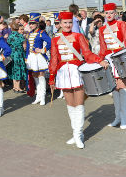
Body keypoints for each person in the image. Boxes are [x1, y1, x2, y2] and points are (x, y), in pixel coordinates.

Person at [49, 12, 102, 149]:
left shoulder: (78, 36)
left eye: (70, 23)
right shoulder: (55, 39)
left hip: (76, 72)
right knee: (70, 106)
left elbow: (87, 54)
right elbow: (54, 59)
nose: (67, 25)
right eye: (65, 22)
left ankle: (78, 135)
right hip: (62, 73)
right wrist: (51, 77)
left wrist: (99, 60)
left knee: (79, 105)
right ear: (60, 24)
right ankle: (75, 133)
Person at [98, 3, 126, 129]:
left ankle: (124, 119)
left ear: (115, 13)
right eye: (106, 13)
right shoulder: (101, 29)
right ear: (104, 14)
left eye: (111, 12)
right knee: (114, 90)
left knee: (123, 88)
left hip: (120, 59)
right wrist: (99, 60)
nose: (109, 15)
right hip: (109, 61)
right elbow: (103, 48)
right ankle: (117, 117)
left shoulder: (121, 24)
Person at [25, 13, 52, 105]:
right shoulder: (29, 34)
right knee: (35, 77)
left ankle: (43, 97)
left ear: (37, 24)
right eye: (30, 23)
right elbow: (28, 47)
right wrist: (26, 57)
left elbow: (50, 42)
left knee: (41, 76)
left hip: (39, 57)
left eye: (33, 23)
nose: (31, 25)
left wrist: (42, 50)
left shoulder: (41, 33)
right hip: (32, 57)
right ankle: (38, 96)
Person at [7, 21, 26, 93]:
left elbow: (8, 43)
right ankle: (18, 87)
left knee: (13, 70)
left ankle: (14, 87)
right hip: (19, 54)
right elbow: (24, 47)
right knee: (18, 70)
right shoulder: (20, 36)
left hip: (12, 54)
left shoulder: (10, 36)